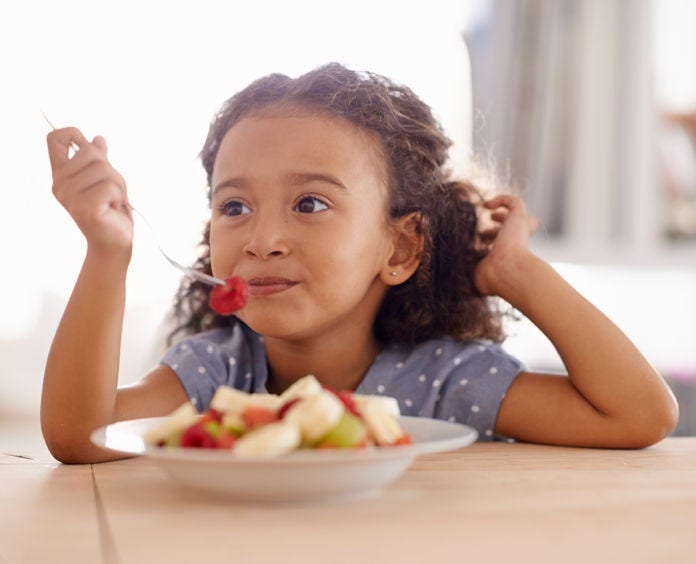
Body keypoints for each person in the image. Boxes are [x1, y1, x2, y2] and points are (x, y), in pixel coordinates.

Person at [42, 63, 678, 464]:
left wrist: (517, 275)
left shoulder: (444, 382)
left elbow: (639, 415)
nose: (262, 239)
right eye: (234, 206)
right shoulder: (219, 371)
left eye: (310, 203)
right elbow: (83, 436)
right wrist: (107, 252)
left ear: (399, 248)